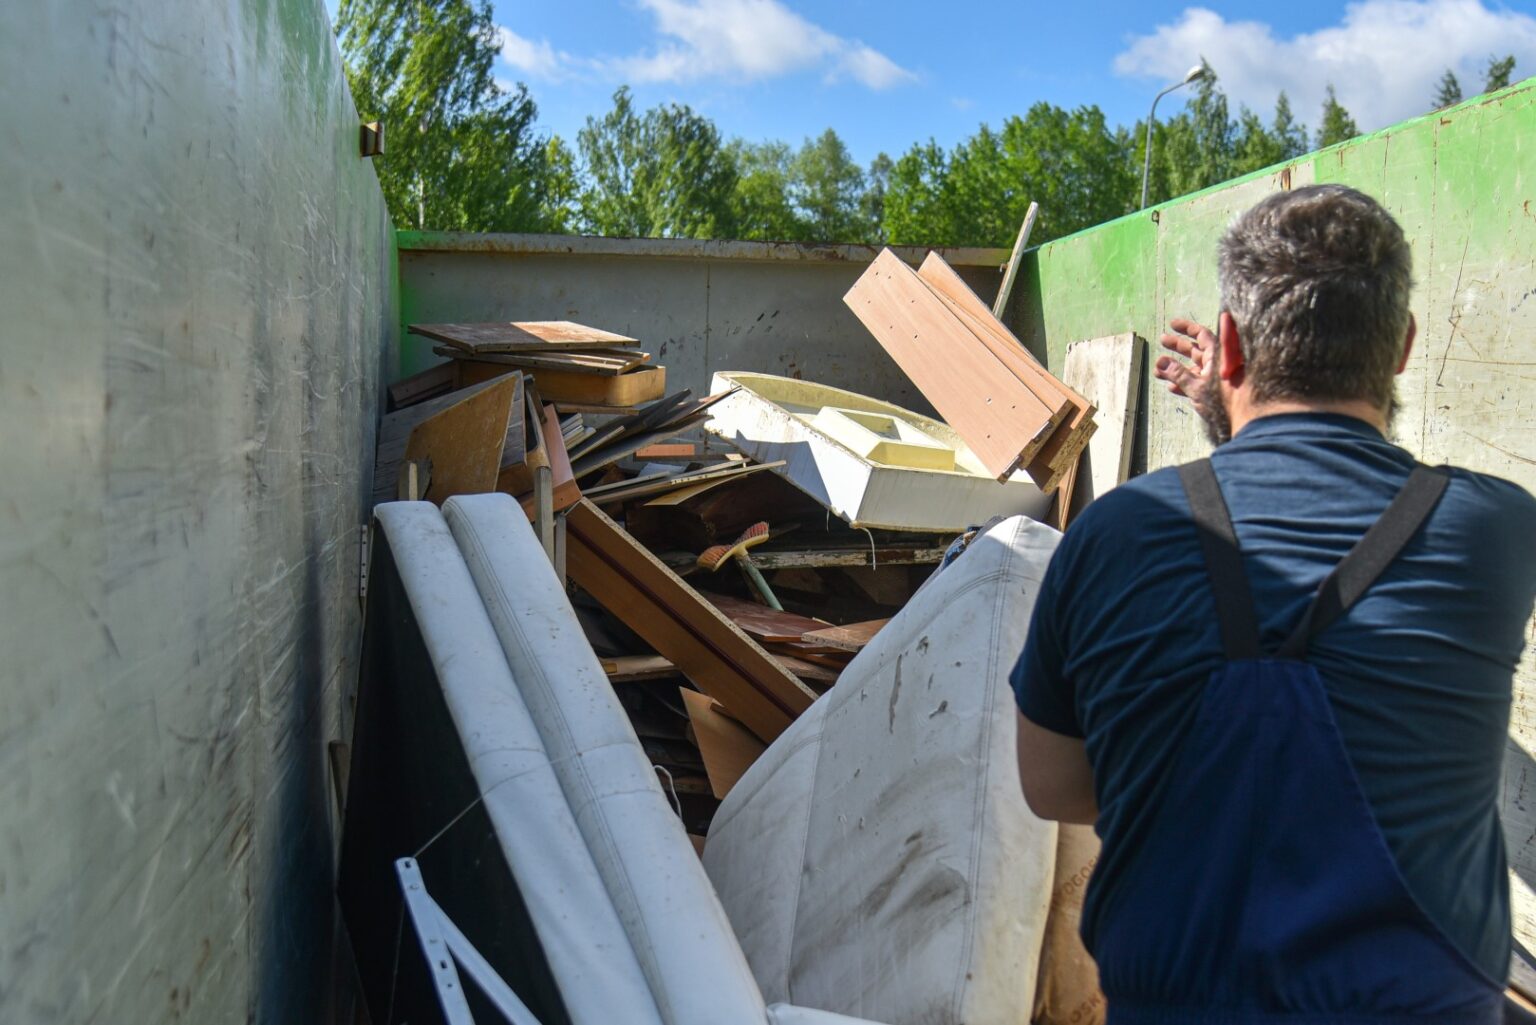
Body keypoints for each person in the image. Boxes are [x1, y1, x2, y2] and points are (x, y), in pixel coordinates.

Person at [1011, 184, 1536, 1024]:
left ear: (1226, 347)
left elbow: (1051, 784)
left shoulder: (1112, 533)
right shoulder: (1498, 529)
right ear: (1400, 346)